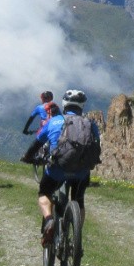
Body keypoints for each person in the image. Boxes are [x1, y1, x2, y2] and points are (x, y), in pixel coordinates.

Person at [34, 89, 100, 246]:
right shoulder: (90, 124)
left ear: (64, 104)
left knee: (44, 193)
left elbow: (37, 143)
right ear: (82, 106)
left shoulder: (54, 121)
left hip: (57, 170)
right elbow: (96, 146)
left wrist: (29, 157)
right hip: (81, 172)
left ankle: (49, 220)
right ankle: (75, 235)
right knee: (79, 200)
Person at [19, 90, 59, 165]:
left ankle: (27, 157)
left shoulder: (39, 107)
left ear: (42, 98)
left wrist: (25, 130)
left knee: (37, 142)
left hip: (45, 128)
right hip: (56, 127)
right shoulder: (56, 106)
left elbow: (30, 119)